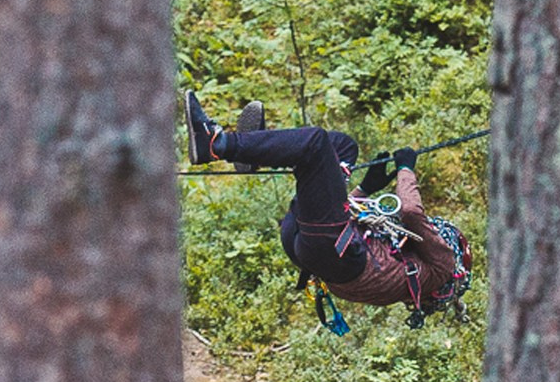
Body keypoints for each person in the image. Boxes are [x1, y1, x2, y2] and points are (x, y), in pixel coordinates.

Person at [184, 92, 471, 327]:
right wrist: (366, 189)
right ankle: (256, 149)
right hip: (306, 246)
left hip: (333, 249)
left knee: (316, 143)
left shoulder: (441, 265)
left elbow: (410, 211)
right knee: (343, 148)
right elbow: (340, 216)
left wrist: (406, 169)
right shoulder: (402, 279)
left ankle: (214, 143)